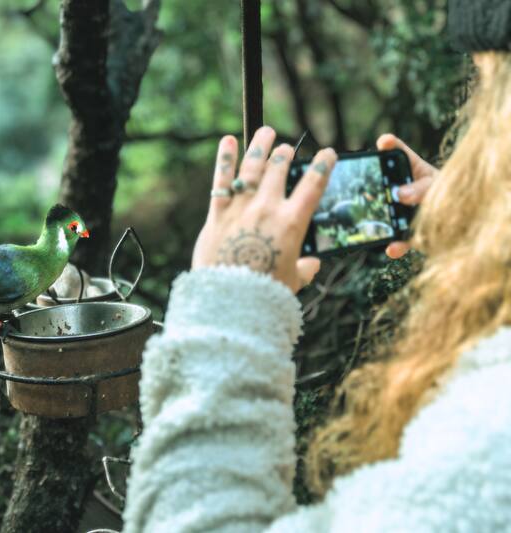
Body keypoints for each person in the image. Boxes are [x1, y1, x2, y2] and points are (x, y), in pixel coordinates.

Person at [121, 1, 511, 531]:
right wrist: (487, 232)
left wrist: (226, 313)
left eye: (490, 102)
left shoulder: (491, 430)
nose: (471, 149)